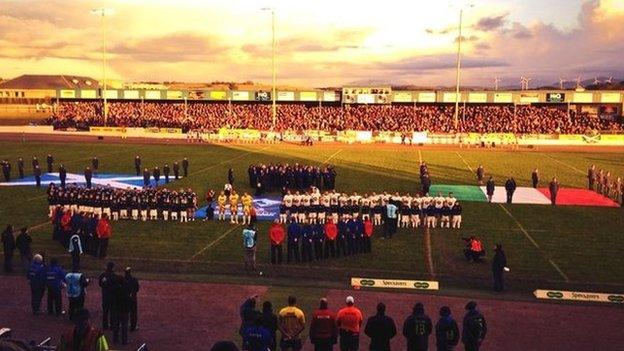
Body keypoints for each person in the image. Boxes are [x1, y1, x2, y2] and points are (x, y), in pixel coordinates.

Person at [111, 272, 130, 345]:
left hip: (116, 310)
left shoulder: (115, 289)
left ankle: (115, 340)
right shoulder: (126, 289)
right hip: (124, 310)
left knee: (116, 326)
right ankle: (124, 340)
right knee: (124, 326)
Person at [99, 262, 117, 330]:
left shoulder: (103, 275)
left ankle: (105, 325)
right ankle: (112, 326)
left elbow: (100, 284)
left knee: (105, 312)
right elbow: (116, 286)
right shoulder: (114, 276)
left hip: (105, 296)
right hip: (112, 296)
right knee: (112, 312)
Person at [125, 267, 140, 332]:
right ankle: (133, 326)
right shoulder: (134, 280)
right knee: (133, 312)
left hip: (124, 298)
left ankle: (124, 325)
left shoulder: (122, 279)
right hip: (132, 298)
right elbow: (137, 289)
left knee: (124, 313)